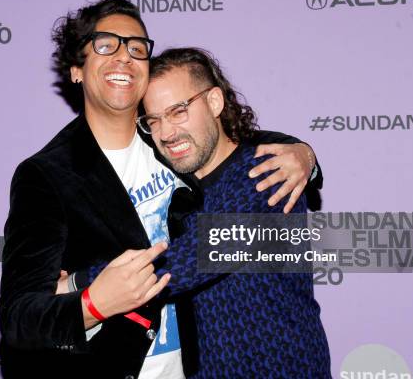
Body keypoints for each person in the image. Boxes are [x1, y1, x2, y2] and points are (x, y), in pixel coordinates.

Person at [0, 0, 323, 379]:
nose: (124, 57)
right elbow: (22, 320)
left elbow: (235, 152)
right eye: (106, 44)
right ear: (76, 70)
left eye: (136, 48)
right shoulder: (47, 175)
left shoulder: (173, 146)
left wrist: (306, 154)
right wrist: (92, 302)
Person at [77, 47, 331, 377]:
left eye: (178, 111)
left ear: (214, 102)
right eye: (153, 120)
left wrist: (78, 284)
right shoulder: (171, 190)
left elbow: (184, 262)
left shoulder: (266, 174)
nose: (166, 133)